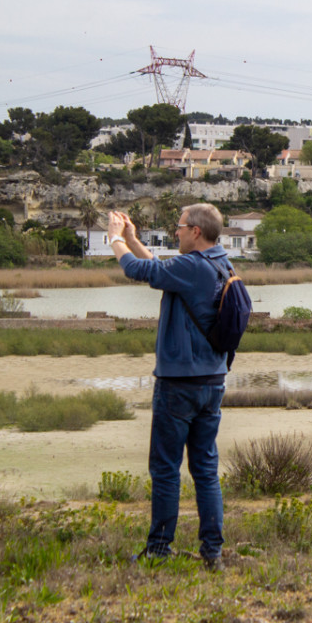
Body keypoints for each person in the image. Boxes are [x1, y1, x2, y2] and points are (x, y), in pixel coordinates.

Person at [106, 203, 230, 569]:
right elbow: (159, 271)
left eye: (178, 227)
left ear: (195, 231)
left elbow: (135, 269)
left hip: (179, 383)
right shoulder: (220, 263)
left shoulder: (193, 266)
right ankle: (212, 552)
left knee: (164, 468)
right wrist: (133, 239)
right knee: (205, 469)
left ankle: (159, 549)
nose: (174, 232)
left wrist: (114, 238)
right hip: (212, 380)